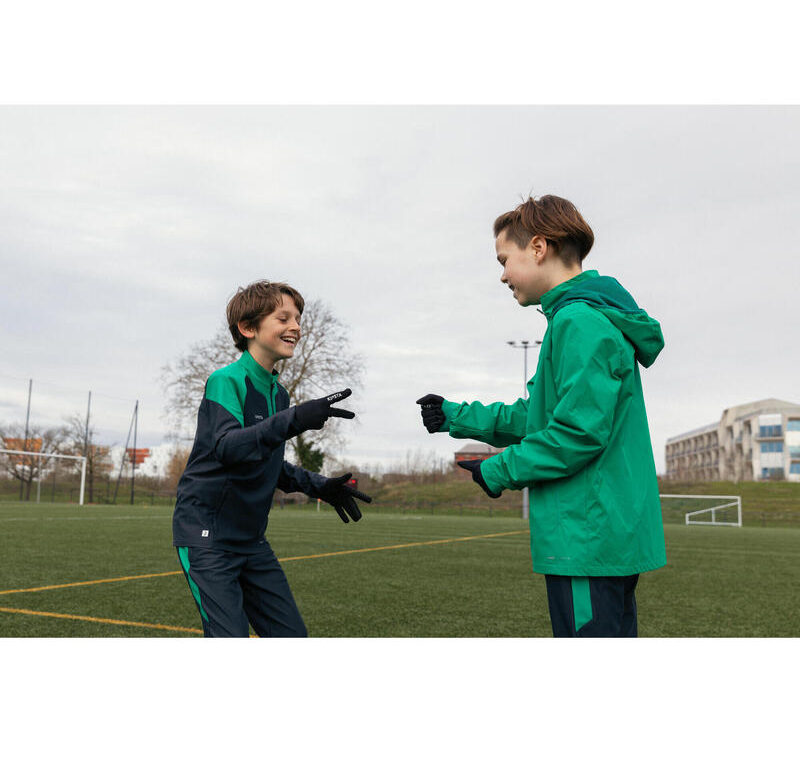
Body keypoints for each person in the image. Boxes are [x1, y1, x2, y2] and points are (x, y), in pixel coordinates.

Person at [416, 195, 666, 638]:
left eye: (504, 259)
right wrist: (456, 416)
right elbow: (539, 416)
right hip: (597, 533)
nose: (502, 274)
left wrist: (498, 470)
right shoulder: (578, 318)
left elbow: (575, 434)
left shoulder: (579, 321)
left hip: (587, 534)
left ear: (537, 247)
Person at [173, 279, 370, 638]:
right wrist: (294, 419)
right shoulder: (225, 381)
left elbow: (264, 462)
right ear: (248, 328)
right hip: (208, 538)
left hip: (251, 541)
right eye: (283, 318)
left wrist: (320, 486)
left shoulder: (277, 394)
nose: (296, 326)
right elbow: (229, 448)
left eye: (297, 318)